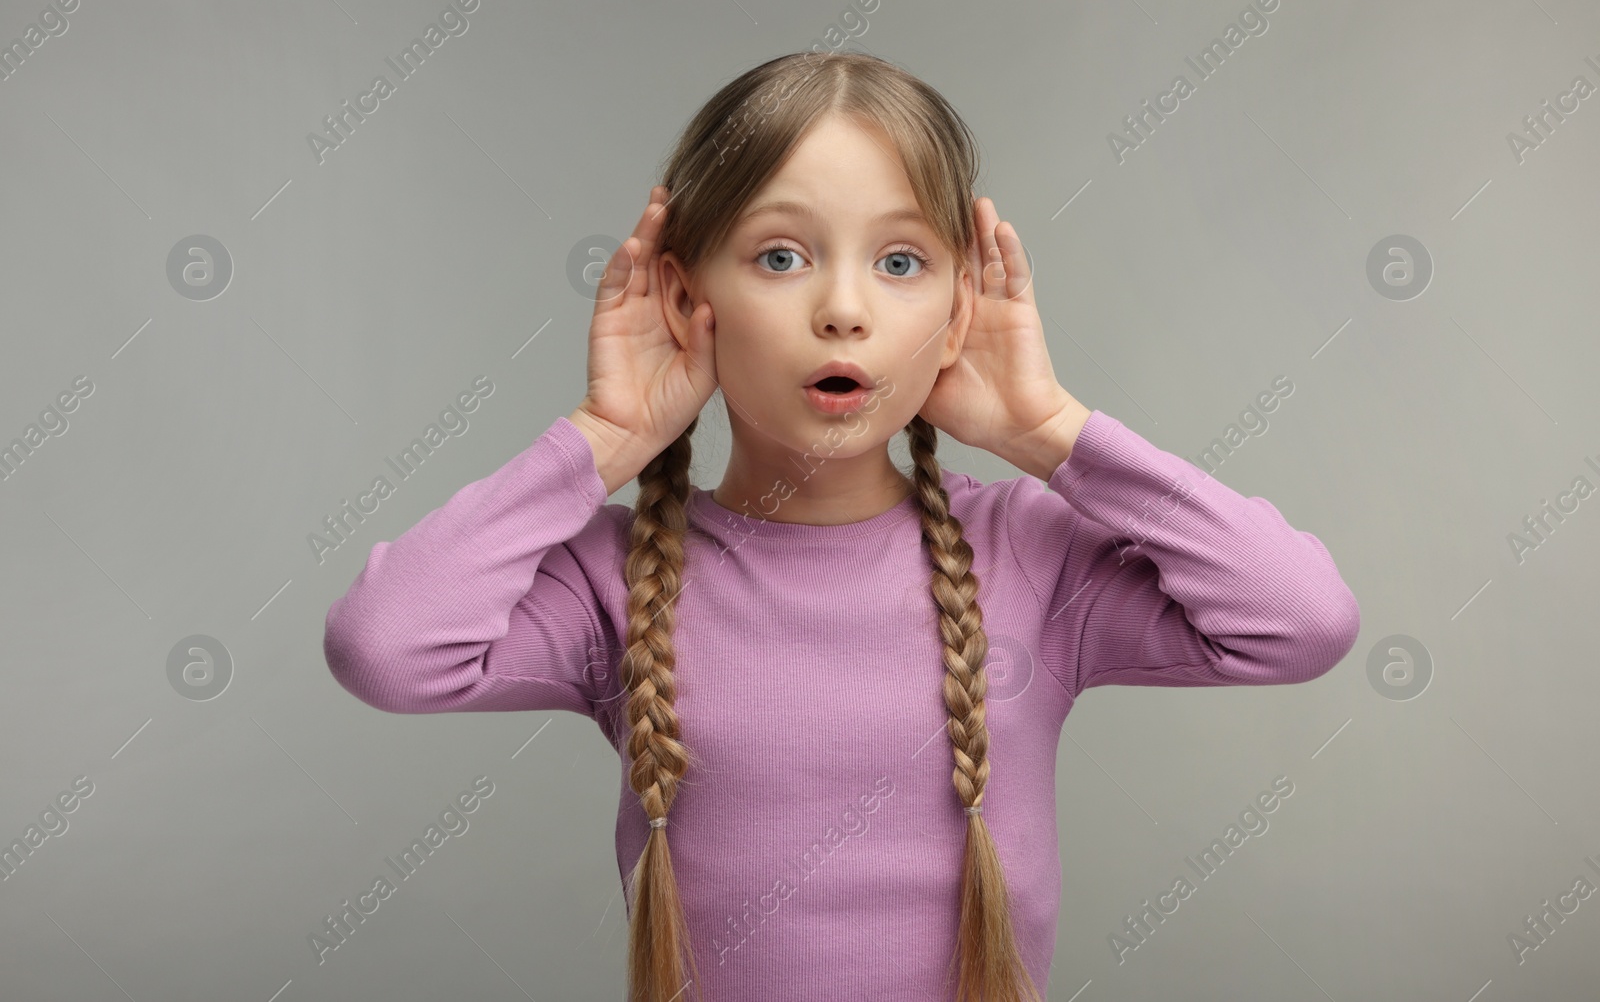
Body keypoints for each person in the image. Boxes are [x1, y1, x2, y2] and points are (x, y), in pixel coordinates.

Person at [323, 50, 1360, 1002]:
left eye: (901, 263)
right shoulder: (619, 576)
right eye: (780, 256)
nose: (844, 309)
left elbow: (1300, 618)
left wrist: (1053, 433)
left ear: (956, 312)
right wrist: (605, 434)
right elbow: (386, 647)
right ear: (689, 300)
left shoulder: (1030, 556)